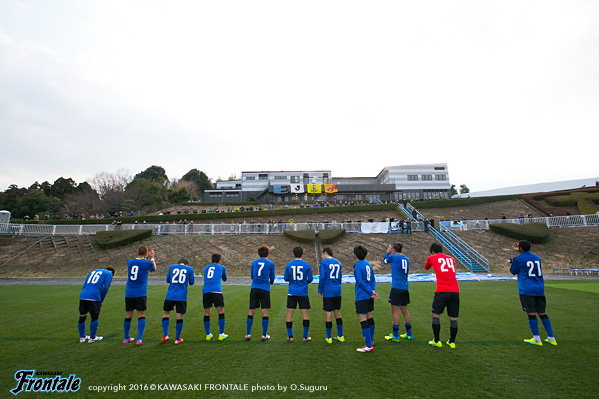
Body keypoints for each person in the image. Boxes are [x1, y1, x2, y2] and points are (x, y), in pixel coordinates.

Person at [509, 240, 557, 346]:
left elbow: (513, 271)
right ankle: (551, 337)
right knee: (542, 312)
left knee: (531, 313)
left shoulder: (519, 259)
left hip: (526, 289)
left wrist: (512, 263)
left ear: (521, 248)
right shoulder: (537, 258)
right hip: (539, 288)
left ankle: (536, 338)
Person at [424, 243, 459, 349]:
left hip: (442, 290)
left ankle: (437, 340)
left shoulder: (432, 257)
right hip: (455, 290)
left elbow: (426, 267)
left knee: (435, 314)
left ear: (432, 251)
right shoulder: (451, 259)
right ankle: (452, 342)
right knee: (453, 317)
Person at [123, 246, 157, 346]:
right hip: (140, 292)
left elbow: (139, 263)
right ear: (146, 254)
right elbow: (154, 269)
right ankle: (139, 338)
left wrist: (146, 258)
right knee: (141, 315)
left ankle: (126, 337)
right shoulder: (148, 263)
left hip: (129, 292)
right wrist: (152, 258)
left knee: (128, 315)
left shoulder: (130, 262)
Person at [383, 243, 413, 342]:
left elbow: (385, 261)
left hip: (396, 287)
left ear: (394, 249)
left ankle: (395, 334)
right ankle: (409, 333)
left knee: (395, 310)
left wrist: (388, 252)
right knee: (405, 310)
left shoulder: (393, 257)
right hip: (405, 287)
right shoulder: (407, 259)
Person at [161, 258, 194, 345]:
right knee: (179, 317)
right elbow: (191, 282)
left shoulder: (172, 267)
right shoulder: (189, 269)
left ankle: (165, 335)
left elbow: (168, 280)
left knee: (166, 314)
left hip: (170, 295)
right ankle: (177, 339)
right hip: (181, 296)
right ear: (187, 263)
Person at [284, 247, 314, 343]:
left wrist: (293, 281)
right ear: (302, 253)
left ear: (293, 253)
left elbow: (285, 278)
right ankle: (305, 337)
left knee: (289, 313)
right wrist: (303, 282)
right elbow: (310, 279)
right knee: (305, 314)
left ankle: (290, 337)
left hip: (292, 291)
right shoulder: (306, 265)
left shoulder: (289, 265)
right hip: (303, 292)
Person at [246, 245, 275, 341]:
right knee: (264, 312)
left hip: (254, 288)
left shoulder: (254, 262)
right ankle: (264, 335)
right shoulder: (270, 263)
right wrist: (269, 282)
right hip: (264, 289)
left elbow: (252, 276)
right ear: (268, 253)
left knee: (251, 310)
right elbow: (272, 278)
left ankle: (248, 334)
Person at [78, 267, 115, 343]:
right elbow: (105, 287)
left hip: (83, 295)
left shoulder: (93, 271)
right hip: (94, 296)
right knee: (94, 317)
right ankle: (92, 338)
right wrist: (101, 300)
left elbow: (85, 284)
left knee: (82, 316)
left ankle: (82, 337)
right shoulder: (109, 274)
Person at [353, 245, 379, 353]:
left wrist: (369, 292)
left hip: (362, 295)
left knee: (362, 318)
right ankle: (371, 341)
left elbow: (359, 281)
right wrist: (372, 291)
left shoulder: (357, 265)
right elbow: (373, 279)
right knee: (369, 317)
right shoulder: (368, 264)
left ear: (355, 255)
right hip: (368, 295)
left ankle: (368, 345)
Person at [318, 247, 345, 344]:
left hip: (328, 290)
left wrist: (320, 290)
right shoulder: (338, 263)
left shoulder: (324, 263)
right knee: (337, 313)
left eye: (322, 254)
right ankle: (340, 336)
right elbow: (340, 277)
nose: (322, 256)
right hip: (337, 290)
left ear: (325, 253)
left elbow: (322, 277)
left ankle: (329, 338)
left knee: (328, 314)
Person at [203, 254, 229, 341]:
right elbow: (224, 278)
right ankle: (221, 334)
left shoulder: (206, 268)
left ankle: (208, 334)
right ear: (219, 260)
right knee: (220, 312)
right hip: (216, 291)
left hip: (206, 291)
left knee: (207, 313)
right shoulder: (221, 267)